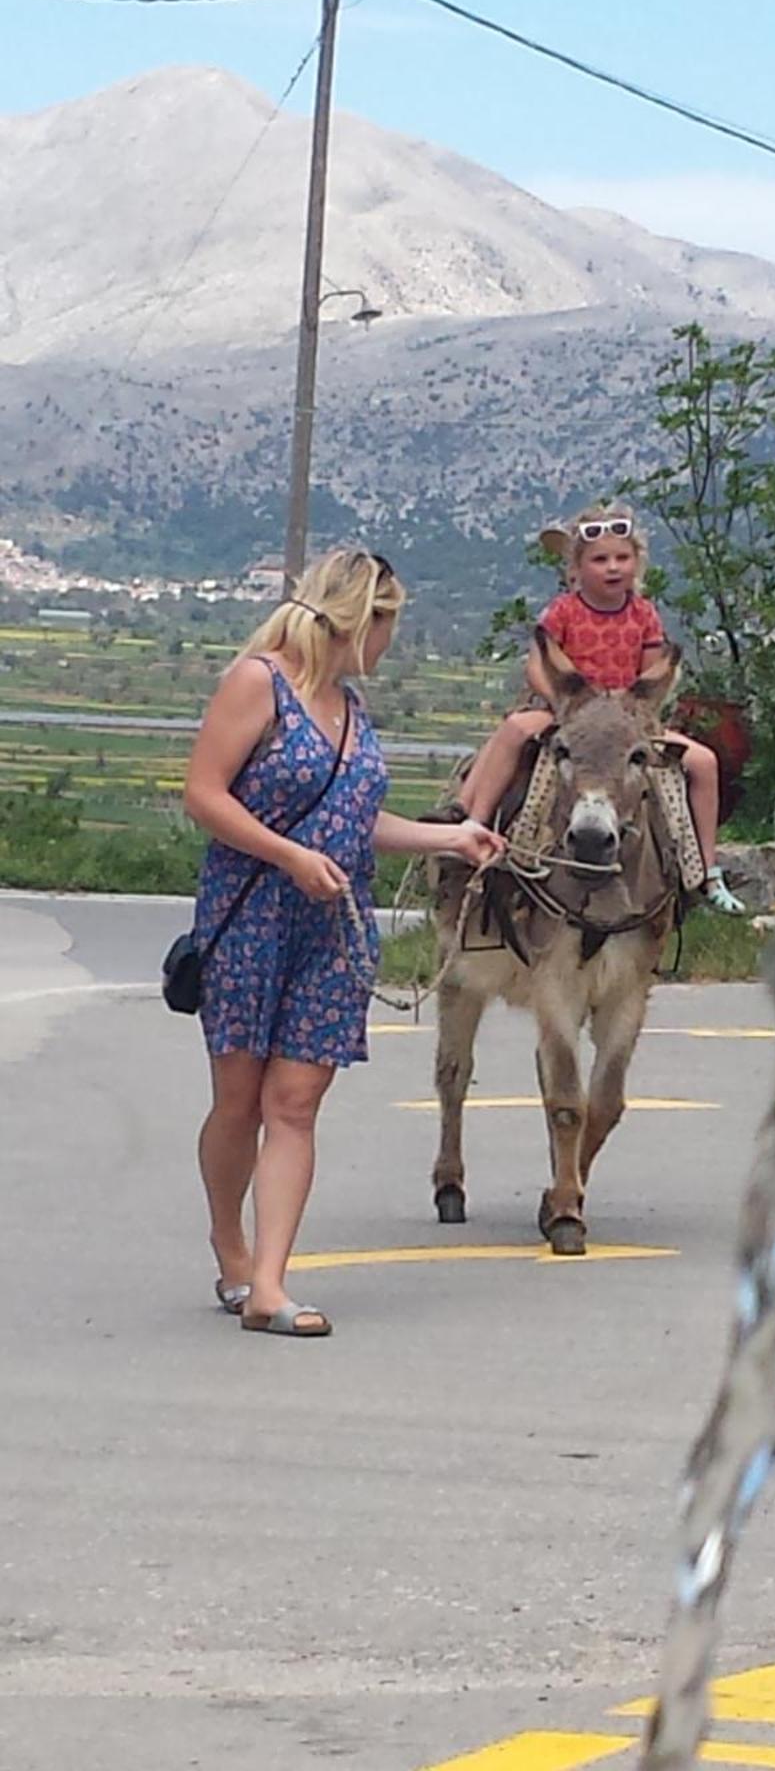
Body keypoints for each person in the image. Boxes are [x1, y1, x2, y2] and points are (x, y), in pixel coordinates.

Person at [183, 548, 503, 1340]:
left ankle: (268, 1283)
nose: (392, 643)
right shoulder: (259, 682)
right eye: (391, 625)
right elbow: (204, 793)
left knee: (295, 1103)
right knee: (239, 1098)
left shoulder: (352, 711)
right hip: (252, 914)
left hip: (333, 928)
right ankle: (231, 1246)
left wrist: (450, 836)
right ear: (367, 618)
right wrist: (288, 856)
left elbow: (355, 824)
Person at [458, 505, 745, 914]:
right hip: (567, 710)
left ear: (637, 562)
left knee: (704, 762)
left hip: (629, 719)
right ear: (576, 567)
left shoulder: (643, 613)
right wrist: (563, 701)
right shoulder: (564, 610)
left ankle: (703, 867)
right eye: (600, 559)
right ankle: (473, 823)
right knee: (516, 731)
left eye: (622, 558)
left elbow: (652, 668)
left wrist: (638, 708)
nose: (613, 567)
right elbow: (538, 663)